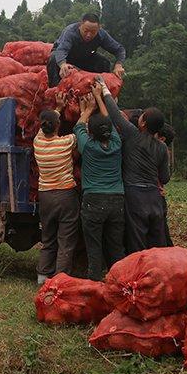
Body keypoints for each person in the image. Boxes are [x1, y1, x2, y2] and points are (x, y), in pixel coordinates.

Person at [95, 76, 170, 253]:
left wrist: (104, 88)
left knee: (136, 243)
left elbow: (114, 114)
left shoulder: (132, 134)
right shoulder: (162, 148)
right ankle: (158, 274)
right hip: (154, 199)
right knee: (157, 242)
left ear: (142, 123)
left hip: (135, 197)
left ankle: (138, 277)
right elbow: (164, 178)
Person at [74, 87, 125, 280]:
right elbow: (109, 121)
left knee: (94, 246)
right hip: (117, 201)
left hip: (93, 200)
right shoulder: (116, 144)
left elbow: (78, 126)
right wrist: (99, 97)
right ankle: (119, 282)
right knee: (116, 246)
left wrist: (87, 109)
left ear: (91, 133)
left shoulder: (87, 146)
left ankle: (95, 282)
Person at [32, 96, 80, 285]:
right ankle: (60, 281)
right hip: (66, 195)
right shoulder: (67, 142)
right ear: (58, 125)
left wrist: (57, 108)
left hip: (45, 197)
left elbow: (46, 126)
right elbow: (81, 128)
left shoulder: (38, 143)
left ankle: (42, 278)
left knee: (48, 238)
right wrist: (84, 111)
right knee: (66, 240)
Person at [47, 13, 126, 87]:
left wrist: (118, 65)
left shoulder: (102, 35)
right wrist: (62, 64)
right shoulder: (70, 32)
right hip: (66, 57)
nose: (88, 35)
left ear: (99, 28)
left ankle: (103, 91)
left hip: (86, 57)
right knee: (53, 58)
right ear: (80, 25)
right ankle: (55, 89)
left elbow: (119, 50)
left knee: (104, 62)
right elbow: (62, 50)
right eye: (86, 31)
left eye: (93, 32)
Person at [157, 123, 176, 247]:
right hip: (158, 196)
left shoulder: (160, 150)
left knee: (160, 232)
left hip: (156, 196)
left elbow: (165, 178)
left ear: (162, 139)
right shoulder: (162, 150)